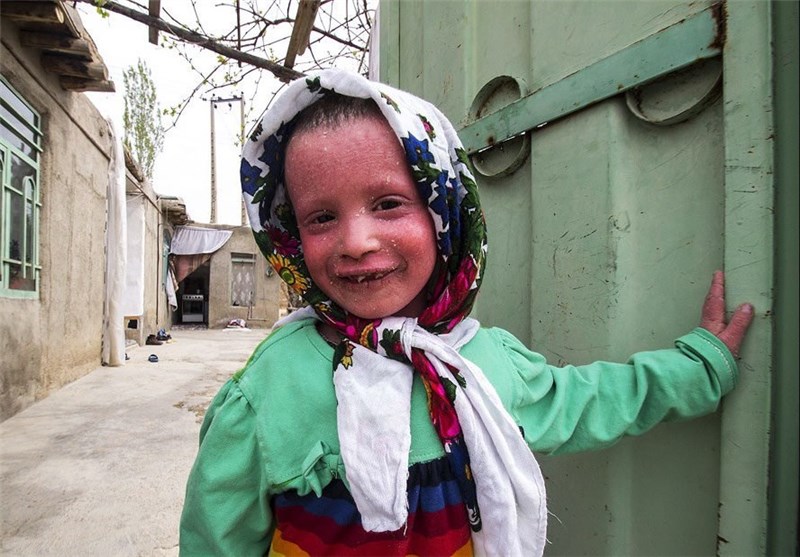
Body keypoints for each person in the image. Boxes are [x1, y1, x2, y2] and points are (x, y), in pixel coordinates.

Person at [179, 69, 753, 556]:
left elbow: (590, 401)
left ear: (445, 212)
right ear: (290, 236)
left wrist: (698, 369)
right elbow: (214, 536)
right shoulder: (267, 390)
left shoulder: (484, 365)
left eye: (388, 203)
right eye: (321, 218)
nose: (356, 242)